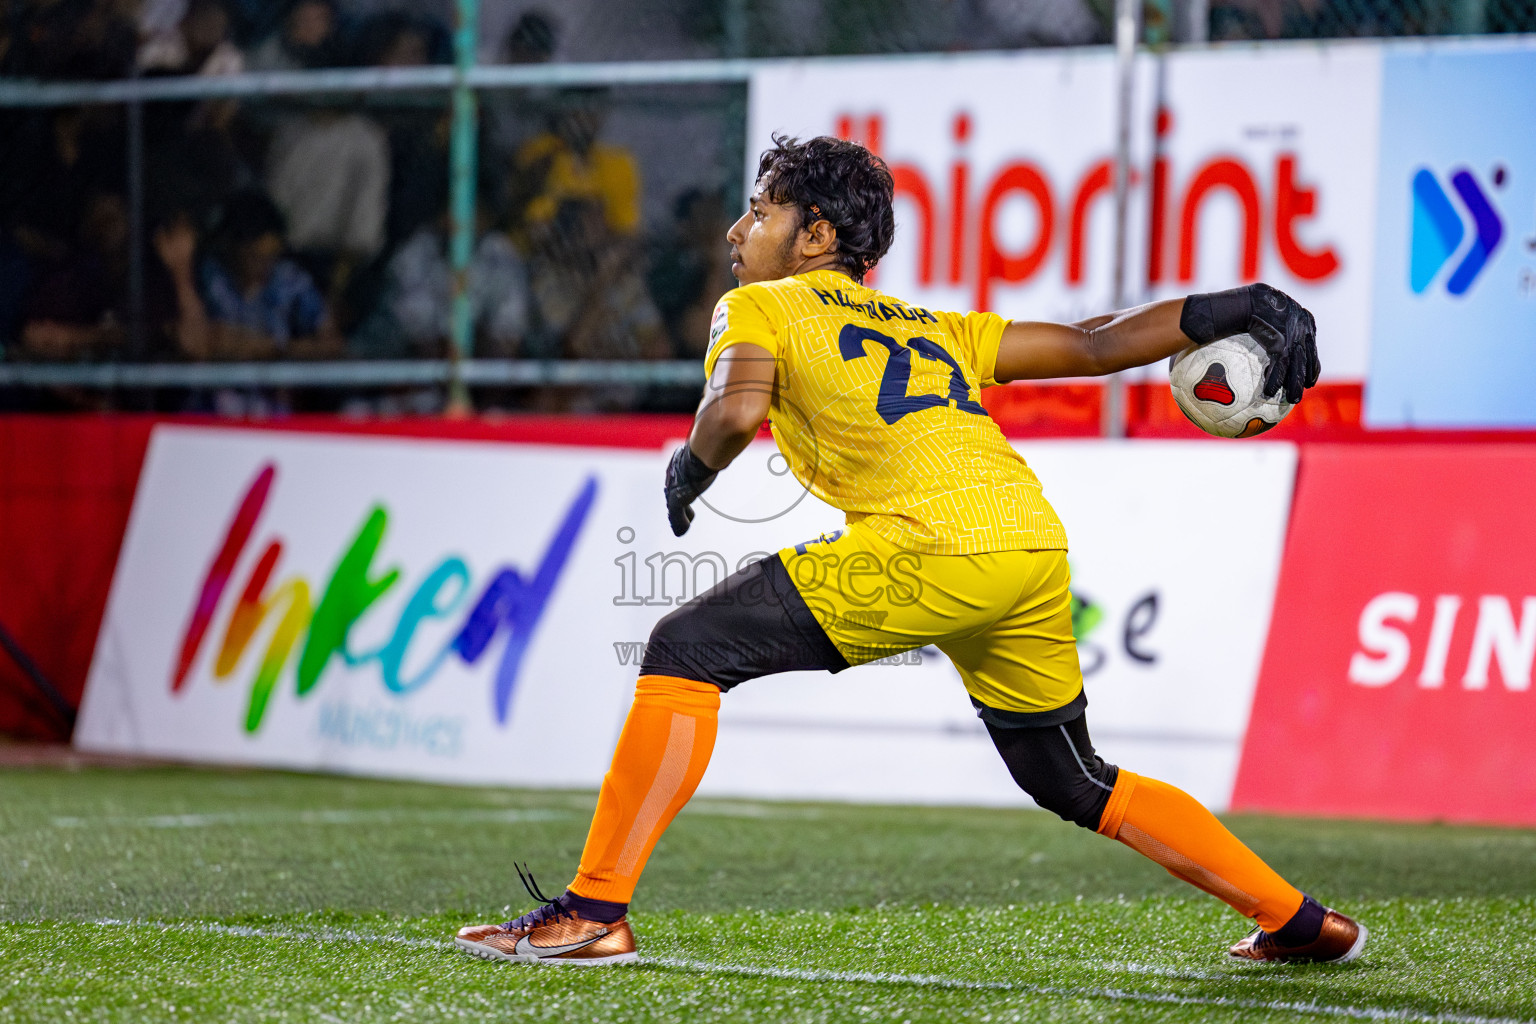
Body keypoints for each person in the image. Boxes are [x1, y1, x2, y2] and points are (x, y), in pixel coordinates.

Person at [454, 134, 1352, 968]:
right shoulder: (928, 325)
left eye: (759, 211)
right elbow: (1095, 344)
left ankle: (594, 912)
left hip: (932, 547)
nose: (737, 230)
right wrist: (1238, 306)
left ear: (815, 236)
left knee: (686, 650)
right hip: (1028, 545)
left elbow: (733, 410)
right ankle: (1301, 922)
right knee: (1073, 779)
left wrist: (691, 471)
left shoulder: (758, 304)